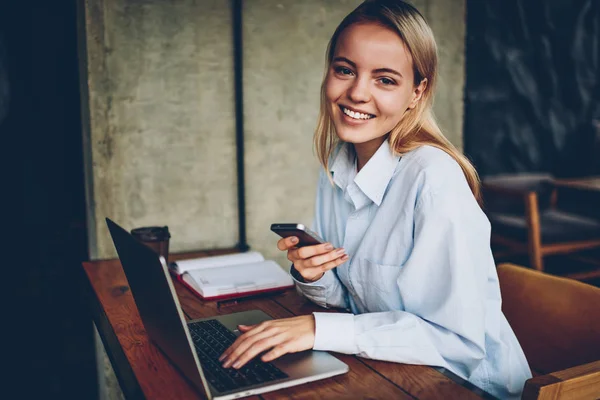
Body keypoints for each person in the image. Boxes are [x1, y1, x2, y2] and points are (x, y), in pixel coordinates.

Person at [219, 1, 532, 398]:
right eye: (345, 70)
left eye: (384, 80)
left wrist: (317, 329)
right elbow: (354, 298)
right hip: (384, 369)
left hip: (464, 387)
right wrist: (314, 275)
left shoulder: (433, 180)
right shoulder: (336, 165)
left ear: (416, 92)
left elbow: (457, 341)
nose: (357, 93)